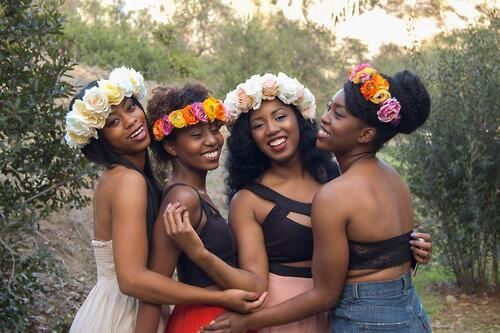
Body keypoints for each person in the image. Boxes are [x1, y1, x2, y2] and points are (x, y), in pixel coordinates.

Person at [165, 72, 433, 332]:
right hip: (285, 314)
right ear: (249, 138)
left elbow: (364, 247)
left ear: (298, 119)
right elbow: (255, 282)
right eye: (258, 125)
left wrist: (407, 247)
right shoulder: (249, 200)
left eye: (281, 116)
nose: (271, 129)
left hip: (342, 312)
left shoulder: (335, 182)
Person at [65, 68, 265, 333]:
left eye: (131, 107)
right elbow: (134, 281)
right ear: (99, 139)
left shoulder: (139, 179)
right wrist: (220, 297)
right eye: (113, 122)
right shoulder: (128, 181)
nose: (131, 121)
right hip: (122, 313)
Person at [134, 83, 267, 333]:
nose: (212, 141)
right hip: (202, 322)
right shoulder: (183, 198)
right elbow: (154, 289)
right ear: (171, 147)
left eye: (215, 130)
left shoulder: (196, 193)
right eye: (197, 135)